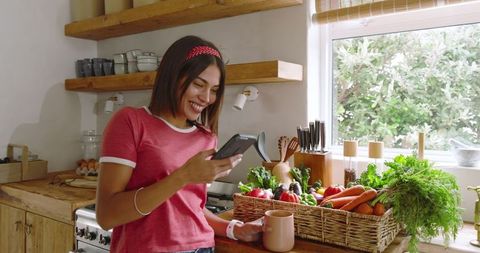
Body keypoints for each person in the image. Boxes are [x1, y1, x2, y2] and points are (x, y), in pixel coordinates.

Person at [96, 35, 263, 253]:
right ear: (173, 76)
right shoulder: (131, 122)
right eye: (198, 84)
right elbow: (107, 215)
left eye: (214, 89)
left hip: (202, 248)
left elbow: (189, 208)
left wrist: (233, 229)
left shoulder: (205, 137)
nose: (206, 98)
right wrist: (184, 175)